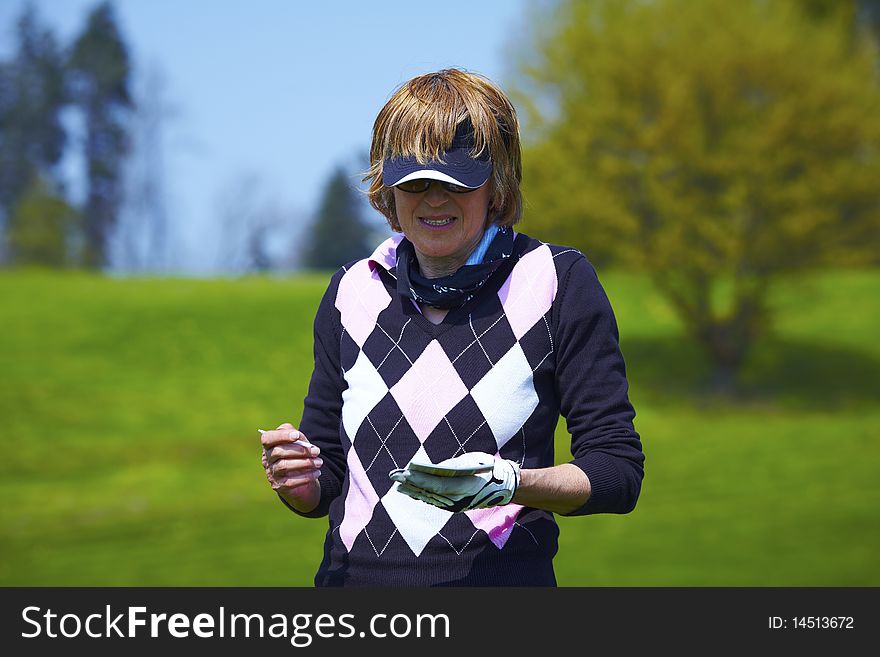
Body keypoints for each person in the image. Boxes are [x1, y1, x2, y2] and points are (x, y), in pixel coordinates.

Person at [260, 68, 645, 586]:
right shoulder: (351, 291)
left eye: (456, 180)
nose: (434, 199)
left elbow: (616, 471)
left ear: (497, 181)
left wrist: (510, 485)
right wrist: (296, 477)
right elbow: (327, 479)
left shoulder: (556, 281)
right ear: (387, 187)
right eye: (415, 182)